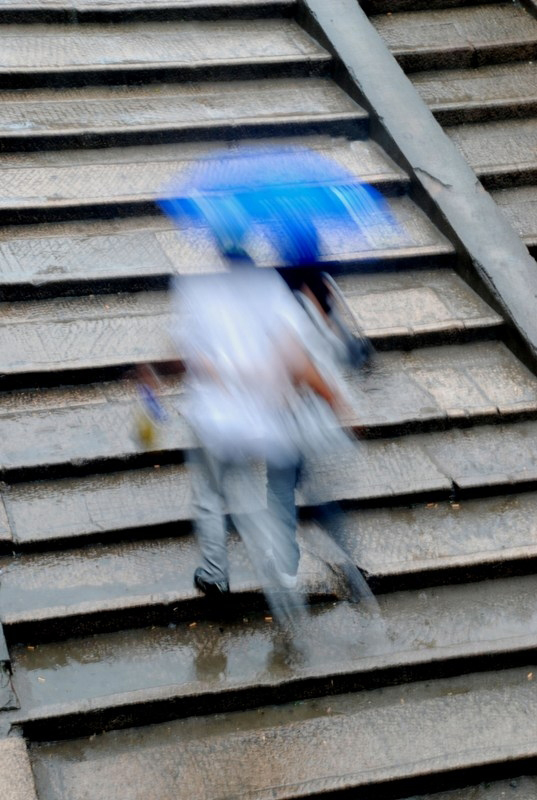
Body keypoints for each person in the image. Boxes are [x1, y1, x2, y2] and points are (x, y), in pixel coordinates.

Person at [172, 248, 345, 600]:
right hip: (271, 414)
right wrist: (331, 397)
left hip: (218, 418)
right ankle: (284, 566)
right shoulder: (272, 293)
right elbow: (296, 359)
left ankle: (215, 574)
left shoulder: (203, 295)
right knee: (280, 490)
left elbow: (187, 357)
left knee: (208, 495)